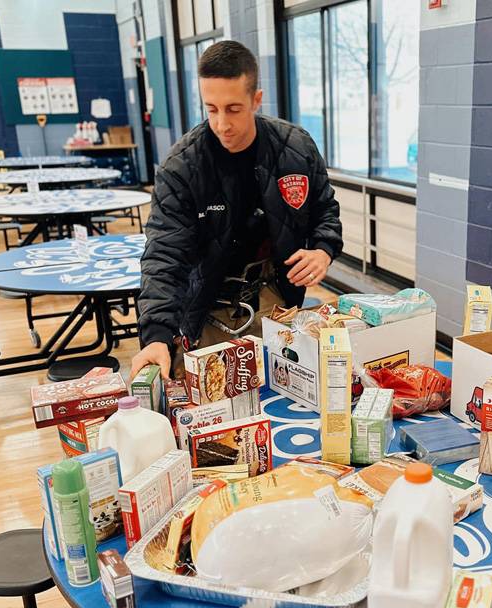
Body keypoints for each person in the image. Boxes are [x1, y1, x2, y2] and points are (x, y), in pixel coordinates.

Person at [131, 40, 342, 379]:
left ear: (256, 100)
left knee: (285, 396)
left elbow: (325, 211)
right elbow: (163, 254)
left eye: (233, 109)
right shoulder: (181, 166)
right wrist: (156, 333)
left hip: (278, 301)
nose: (221, 124)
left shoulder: (296, 147)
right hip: (209, 307)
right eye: (211, 109)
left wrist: (322, 249)